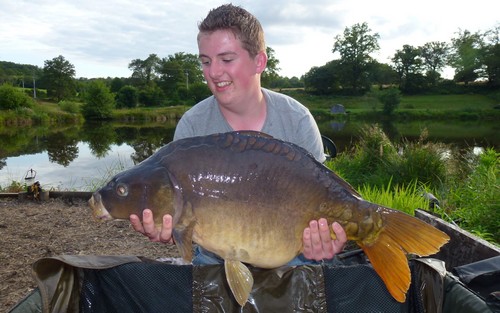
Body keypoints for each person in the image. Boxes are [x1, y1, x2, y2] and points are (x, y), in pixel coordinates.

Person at [130, 4, 347, 265]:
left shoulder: (296, 120)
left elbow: (325, 199)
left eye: (226, 59)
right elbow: (182, 218)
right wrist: (167, 226)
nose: (213, 72)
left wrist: (323, 242)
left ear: (259, 61)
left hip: (290, 252)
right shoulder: (193, 127)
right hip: (216, 255)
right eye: (205, 61)